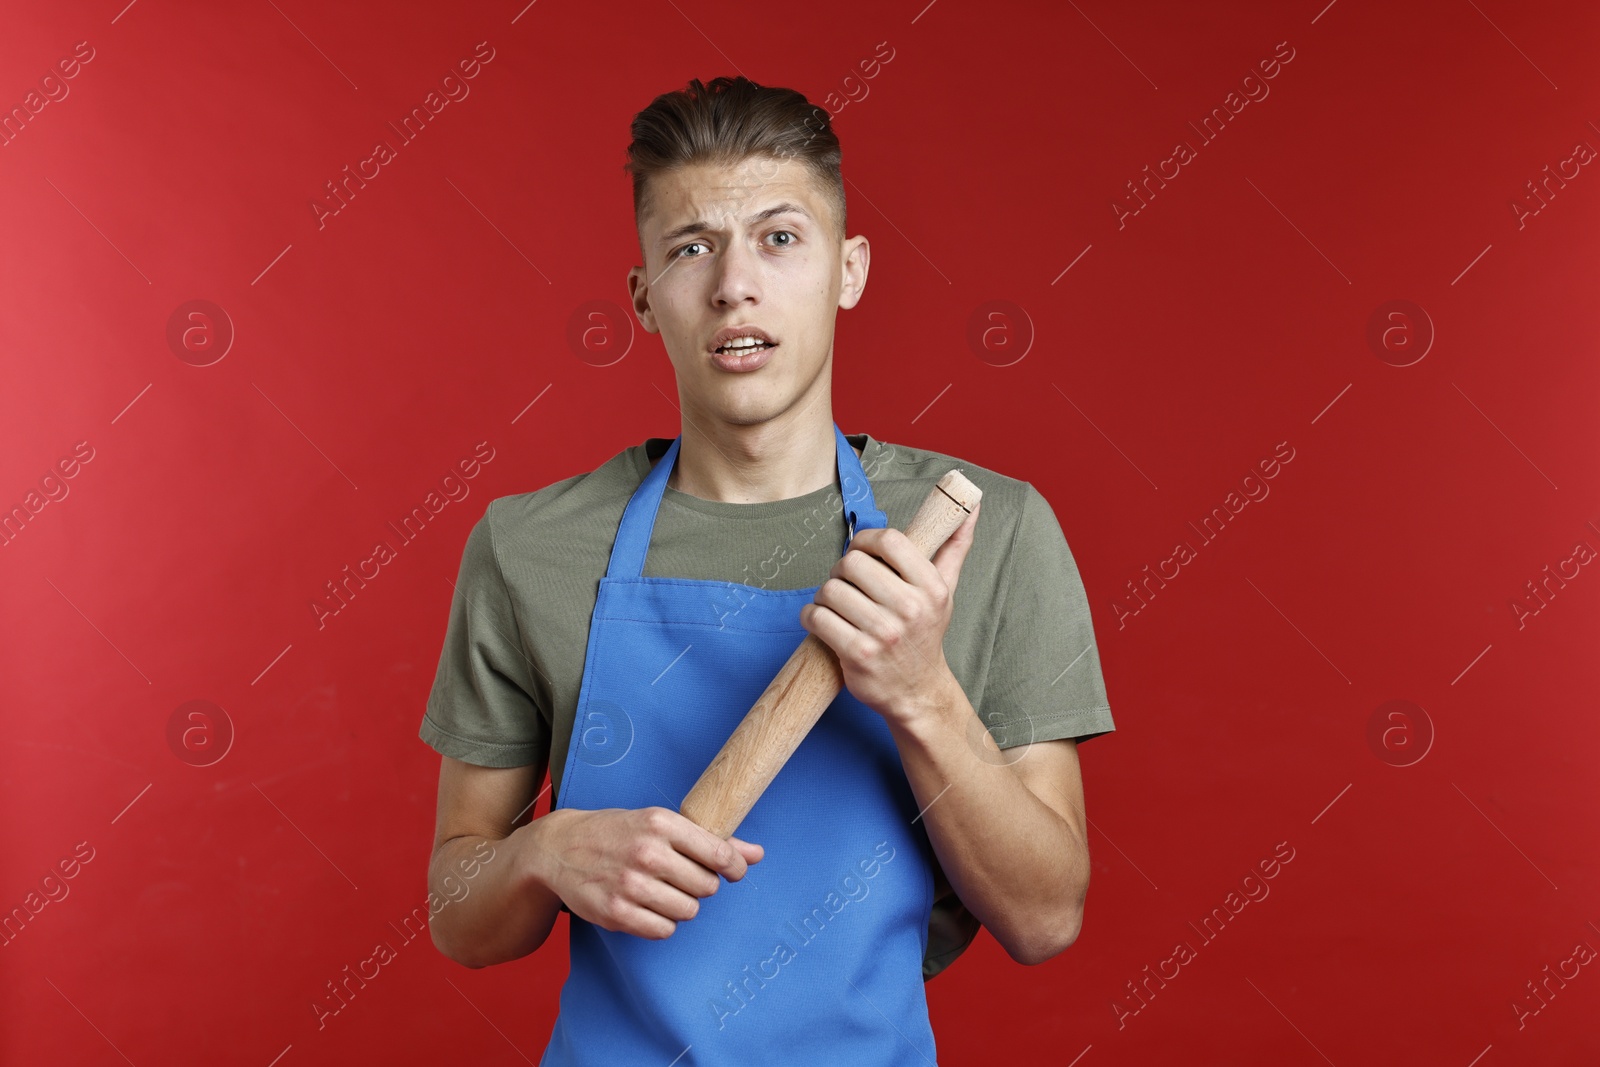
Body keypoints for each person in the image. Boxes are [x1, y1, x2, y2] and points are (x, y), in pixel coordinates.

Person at [418, 75, 1116, 1065]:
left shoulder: (980, 532)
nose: (733, 284)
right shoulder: (530, 545)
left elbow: (1046, 915)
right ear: (643, 296)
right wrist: (542, 850)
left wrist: (921, 693)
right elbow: (458, 915)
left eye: (780, 238)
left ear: (849, 268)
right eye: (690, 247)